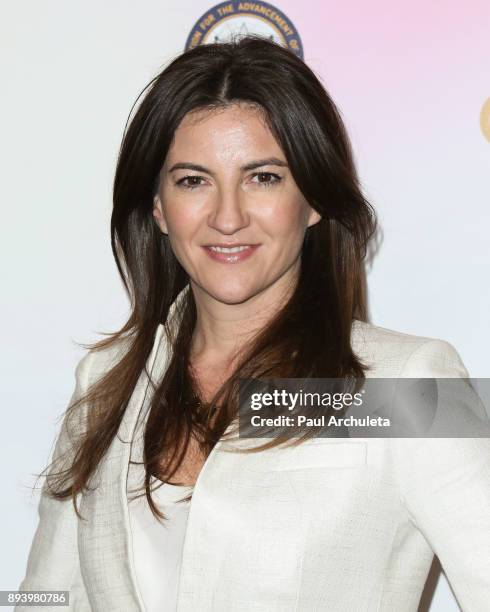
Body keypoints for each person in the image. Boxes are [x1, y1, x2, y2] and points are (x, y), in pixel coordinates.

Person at [16, 35, 490, 612]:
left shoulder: (404, 386)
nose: (227, 216)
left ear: (313, 197)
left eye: (263, 177)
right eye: (194, 180)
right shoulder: (106, 381)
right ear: (160, 208)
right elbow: (47, 598)